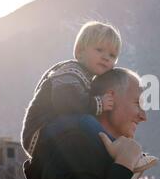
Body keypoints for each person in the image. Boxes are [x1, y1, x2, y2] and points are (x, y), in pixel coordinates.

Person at [23, 67, 156, 179]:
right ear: (112, 97)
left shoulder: (109, 154)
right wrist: (123, 166)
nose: (143, 116)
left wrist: (129, 173)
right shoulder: (74, 144)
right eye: (137, 103)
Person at [21, 21, 121, 157]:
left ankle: (118, 151)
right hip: (39, 132)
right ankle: (120, 150)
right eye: (99, 50)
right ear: (80, 51)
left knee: (90, 124)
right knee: (86, 121)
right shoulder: (71, 72)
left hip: (57, 129)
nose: (105, 57)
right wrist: (98, 103)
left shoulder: (87, 78)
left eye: (112, 55)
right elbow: (66, 103)